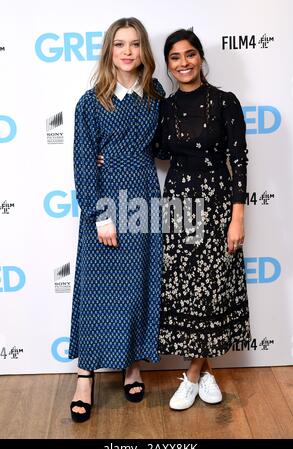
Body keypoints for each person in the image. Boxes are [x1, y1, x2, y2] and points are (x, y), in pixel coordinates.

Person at [69, 17, 165, 422]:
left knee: (136, 284)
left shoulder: (156, 95)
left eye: (135, 44)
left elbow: (168, 143)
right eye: (119, 44)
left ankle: (132, 366)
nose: (127, 51)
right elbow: (83, 163)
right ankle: (85, 375)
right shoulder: (90, 102)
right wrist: (99, 214)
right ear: (109, 50)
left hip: (144, 196)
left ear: (144, 51)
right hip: (107, 199)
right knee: (96, 287)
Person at [156, 29, 251, 410]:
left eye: (190, 54)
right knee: (185, 290)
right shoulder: (163, 107)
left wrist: (237, 215)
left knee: (212, 289)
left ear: (200, 58)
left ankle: (193, 374)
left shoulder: (226, 102)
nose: (184, 63)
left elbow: (239, 161)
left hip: (216, 204)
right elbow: (151, 148)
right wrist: (104, 156)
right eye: (175, 57)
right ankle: (205, 369)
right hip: (178, 204)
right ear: (167, 65)